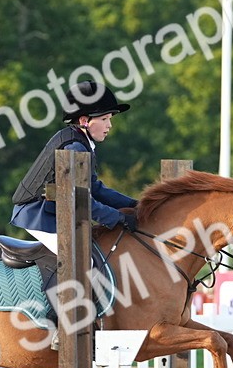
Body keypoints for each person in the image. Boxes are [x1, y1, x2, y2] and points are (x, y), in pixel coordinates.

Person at [11, 80, 138, 252]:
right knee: (81, 256)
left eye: (109, 119)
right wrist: (117, 218)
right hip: (37, 214)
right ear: (84, 120)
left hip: (48, 212)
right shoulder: (75, 148)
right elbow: (78, 200)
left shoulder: (80, 142)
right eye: (104, 119)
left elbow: (95, 189)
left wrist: (134, 205)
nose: (109, 125)